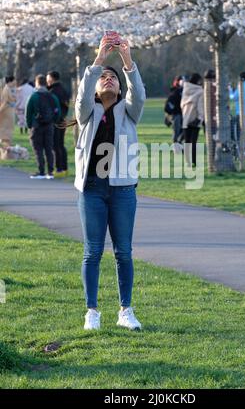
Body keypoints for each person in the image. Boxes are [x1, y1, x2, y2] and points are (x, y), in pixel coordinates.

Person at [72, 31, 146, 331]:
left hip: (123, 191)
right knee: (92, 252)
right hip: (92, 191)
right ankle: (92, 312)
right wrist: (100, 59)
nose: (108, 79)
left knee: (123, 252)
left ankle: (125, 310)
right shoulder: (86, 113)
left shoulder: (129, 112)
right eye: (103, 77)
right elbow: (81, 95)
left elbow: (138, 94)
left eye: (112, 77)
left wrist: (126, 61)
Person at [25, 74, 61, 179]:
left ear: (37, 83)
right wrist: (54, 122)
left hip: (36, 126)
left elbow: (28, 112)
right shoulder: (53, 97)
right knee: (49, 149)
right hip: (49, 126)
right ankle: (50, 172)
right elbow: (57, 112)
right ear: (45, 83)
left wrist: (29, 125)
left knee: (38, 149)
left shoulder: (33, 96)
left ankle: (41, 171)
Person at [46, 71, 71, 177]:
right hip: (63, 120)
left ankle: (59, 169)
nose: (47, 81)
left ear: (52, 79)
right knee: (61, 144)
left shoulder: (53, 91)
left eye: (48, 79)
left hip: (56, 121)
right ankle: (65, 168)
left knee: (55, 145)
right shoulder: (63, 90)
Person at [181, 73, 204, 167]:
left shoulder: (185, 89)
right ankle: (194, 161)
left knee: (187, 141)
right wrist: (200, 118)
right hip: (195, 118)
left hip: (186, 118)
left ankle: (187, 162)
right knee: (194, 141)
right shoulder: (200, 91)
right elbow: (200, 107)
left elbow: (181, 104)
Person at [164, 76, 184, 147]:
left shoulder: (182, 91)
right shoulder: (175, 91)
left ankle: (179, 145)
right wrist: (171, 113)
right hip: (176, 114)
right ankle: (176, 147)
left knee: (183, 131)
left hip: (182, 114)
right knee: (177, 132)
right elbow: (168, 105)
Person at [0, 76, 17, 147]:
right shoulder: (6, 89)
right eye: (14, 80)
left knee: (8, 129)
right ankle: (6, 147)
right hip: (6, 112)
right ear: (11, 81)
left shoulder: (8, 89)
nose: (15, 82)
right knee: (6, 129)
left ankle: (7, 146)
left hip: (8, 112)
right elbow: (4, 102)